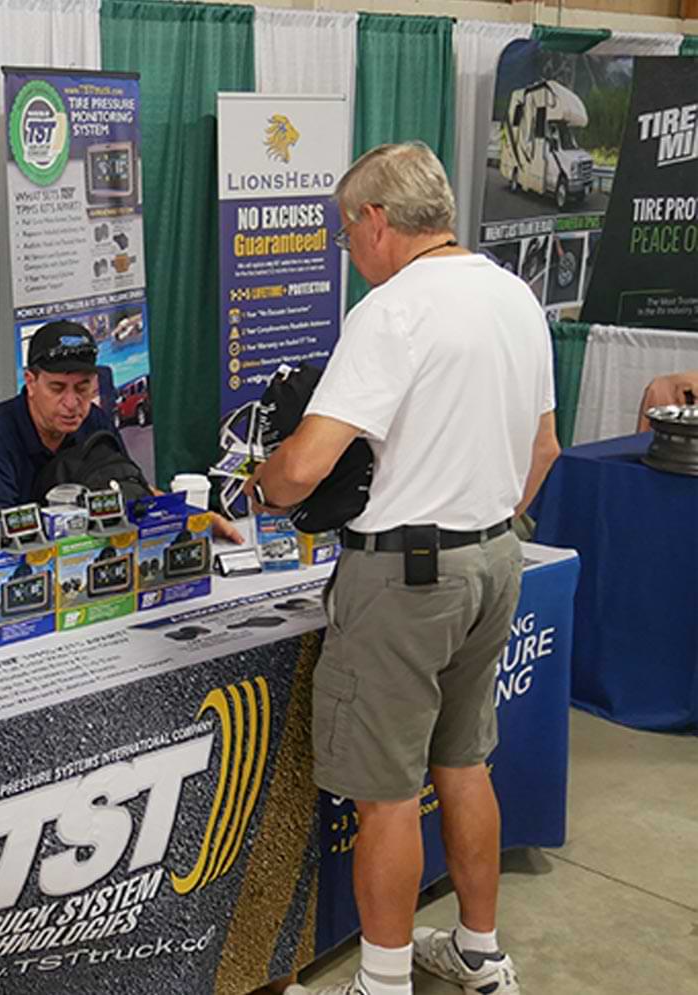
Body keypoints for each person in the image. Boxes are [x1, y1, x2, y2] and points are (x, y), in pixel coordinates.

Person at [243, 143, 560, 995]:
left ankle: (379, 985)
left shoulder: (392, 311)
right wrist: (483, 516)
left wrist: (263, 482)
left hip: (406, 576)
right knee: (464, 764)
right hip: (496, 555)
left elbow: (306, 466)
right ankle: (481, 956)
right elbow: (545, 446)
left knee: (385, 794)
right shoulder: (514, 295)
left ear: (377, 220)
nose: (348, 249)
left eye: (347, 232)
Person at [0, 320, 244, 542]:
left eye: (82, 389)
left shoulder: (95, 421)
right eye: (57, 388)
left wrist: (193, 518)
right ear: (30, 382)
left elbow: (131, 488)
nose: (72, 404)